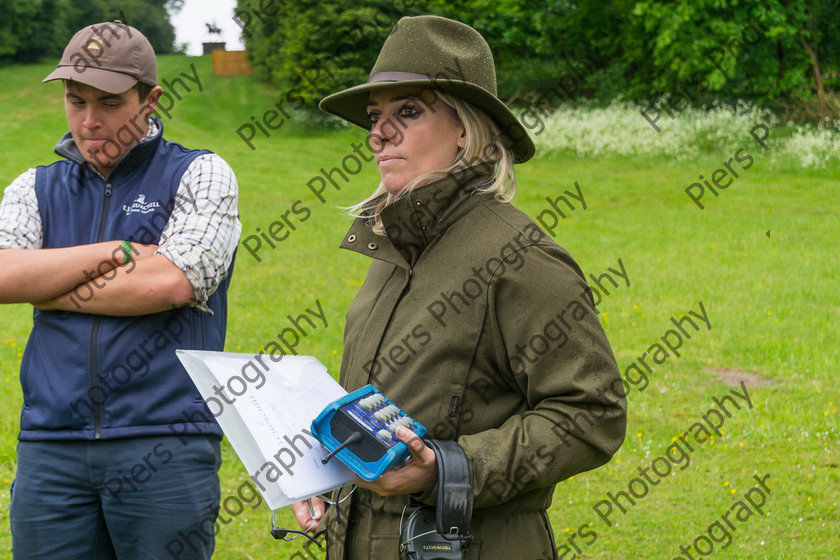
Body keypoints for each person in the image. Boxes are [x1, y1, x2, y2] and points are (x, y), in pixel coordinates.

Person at [290, 15, 626, 559]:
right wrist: (324, 472)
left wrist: (447, 469)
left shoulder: (523, 260)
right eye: (375, 117)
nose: (378, 132)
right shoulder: (393, 247)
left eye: (408, 111)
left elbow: (592, 414)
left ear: (467, 130)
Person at [0, 21, 240, 559]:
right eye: (75, 99)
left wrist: (45, 280)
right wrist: (111, 253)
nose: (89, 121)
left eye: (109, 103)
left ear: (151, 99)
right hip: (50, 447)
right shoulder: (33, 186)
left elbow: (172, 281)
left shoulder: (200, 174)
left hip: (165, 442)